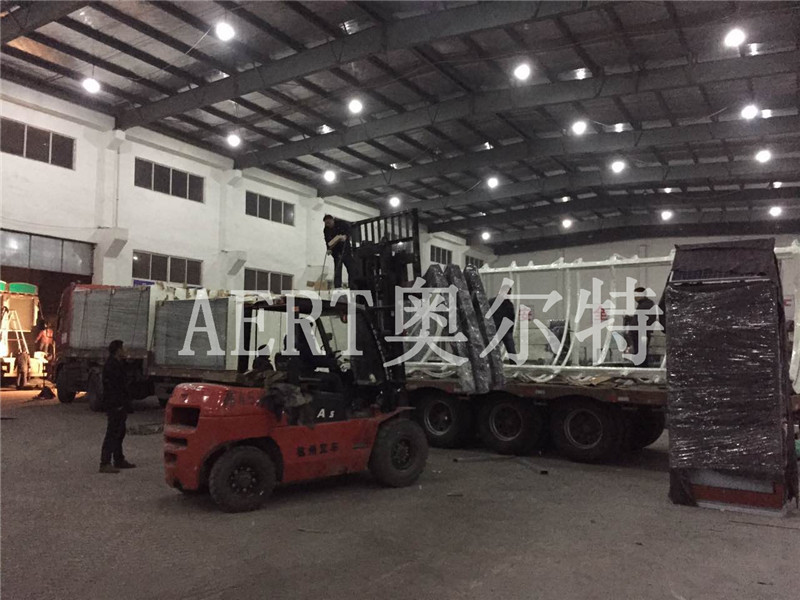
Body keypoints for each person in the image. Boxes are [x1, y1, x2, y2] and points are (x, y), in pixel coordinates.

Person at [99, 340, 135, 473]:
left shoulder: (118, 363)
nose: (124, 351)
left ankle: (118, 458)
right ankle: (105, 462)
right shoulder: (111, 366)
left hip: (120, 403)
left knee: (120, 432)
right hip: (115, 404)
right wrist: (117, 404)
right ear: (118, 350)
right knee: (112, 433)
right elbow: (113, 387)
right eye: (122, 348)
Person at [624, 286, 657, 366]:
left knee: (640, 353)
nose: (635, 297)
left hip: (640, 333)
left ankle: (641, 370)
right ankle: (641, 369)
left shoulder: (645, 305)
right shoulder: (646, 304)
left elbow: (641, 320)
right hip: (641, 332)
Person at [323, 214, 357, 289]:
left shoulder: (341, 223)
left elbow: (349, 230)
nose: (328, 225)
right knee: (338, 268)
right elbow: (327, 240)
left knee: (351, 267)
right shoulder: (326, 230)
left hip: (345, 249)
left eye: (329, 223)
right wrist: (328, 249)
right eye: (326, 223)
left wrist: (346, 236)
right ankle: (338, 286)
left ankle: (352, 285)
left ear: (332, 220)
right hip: (336, 251)